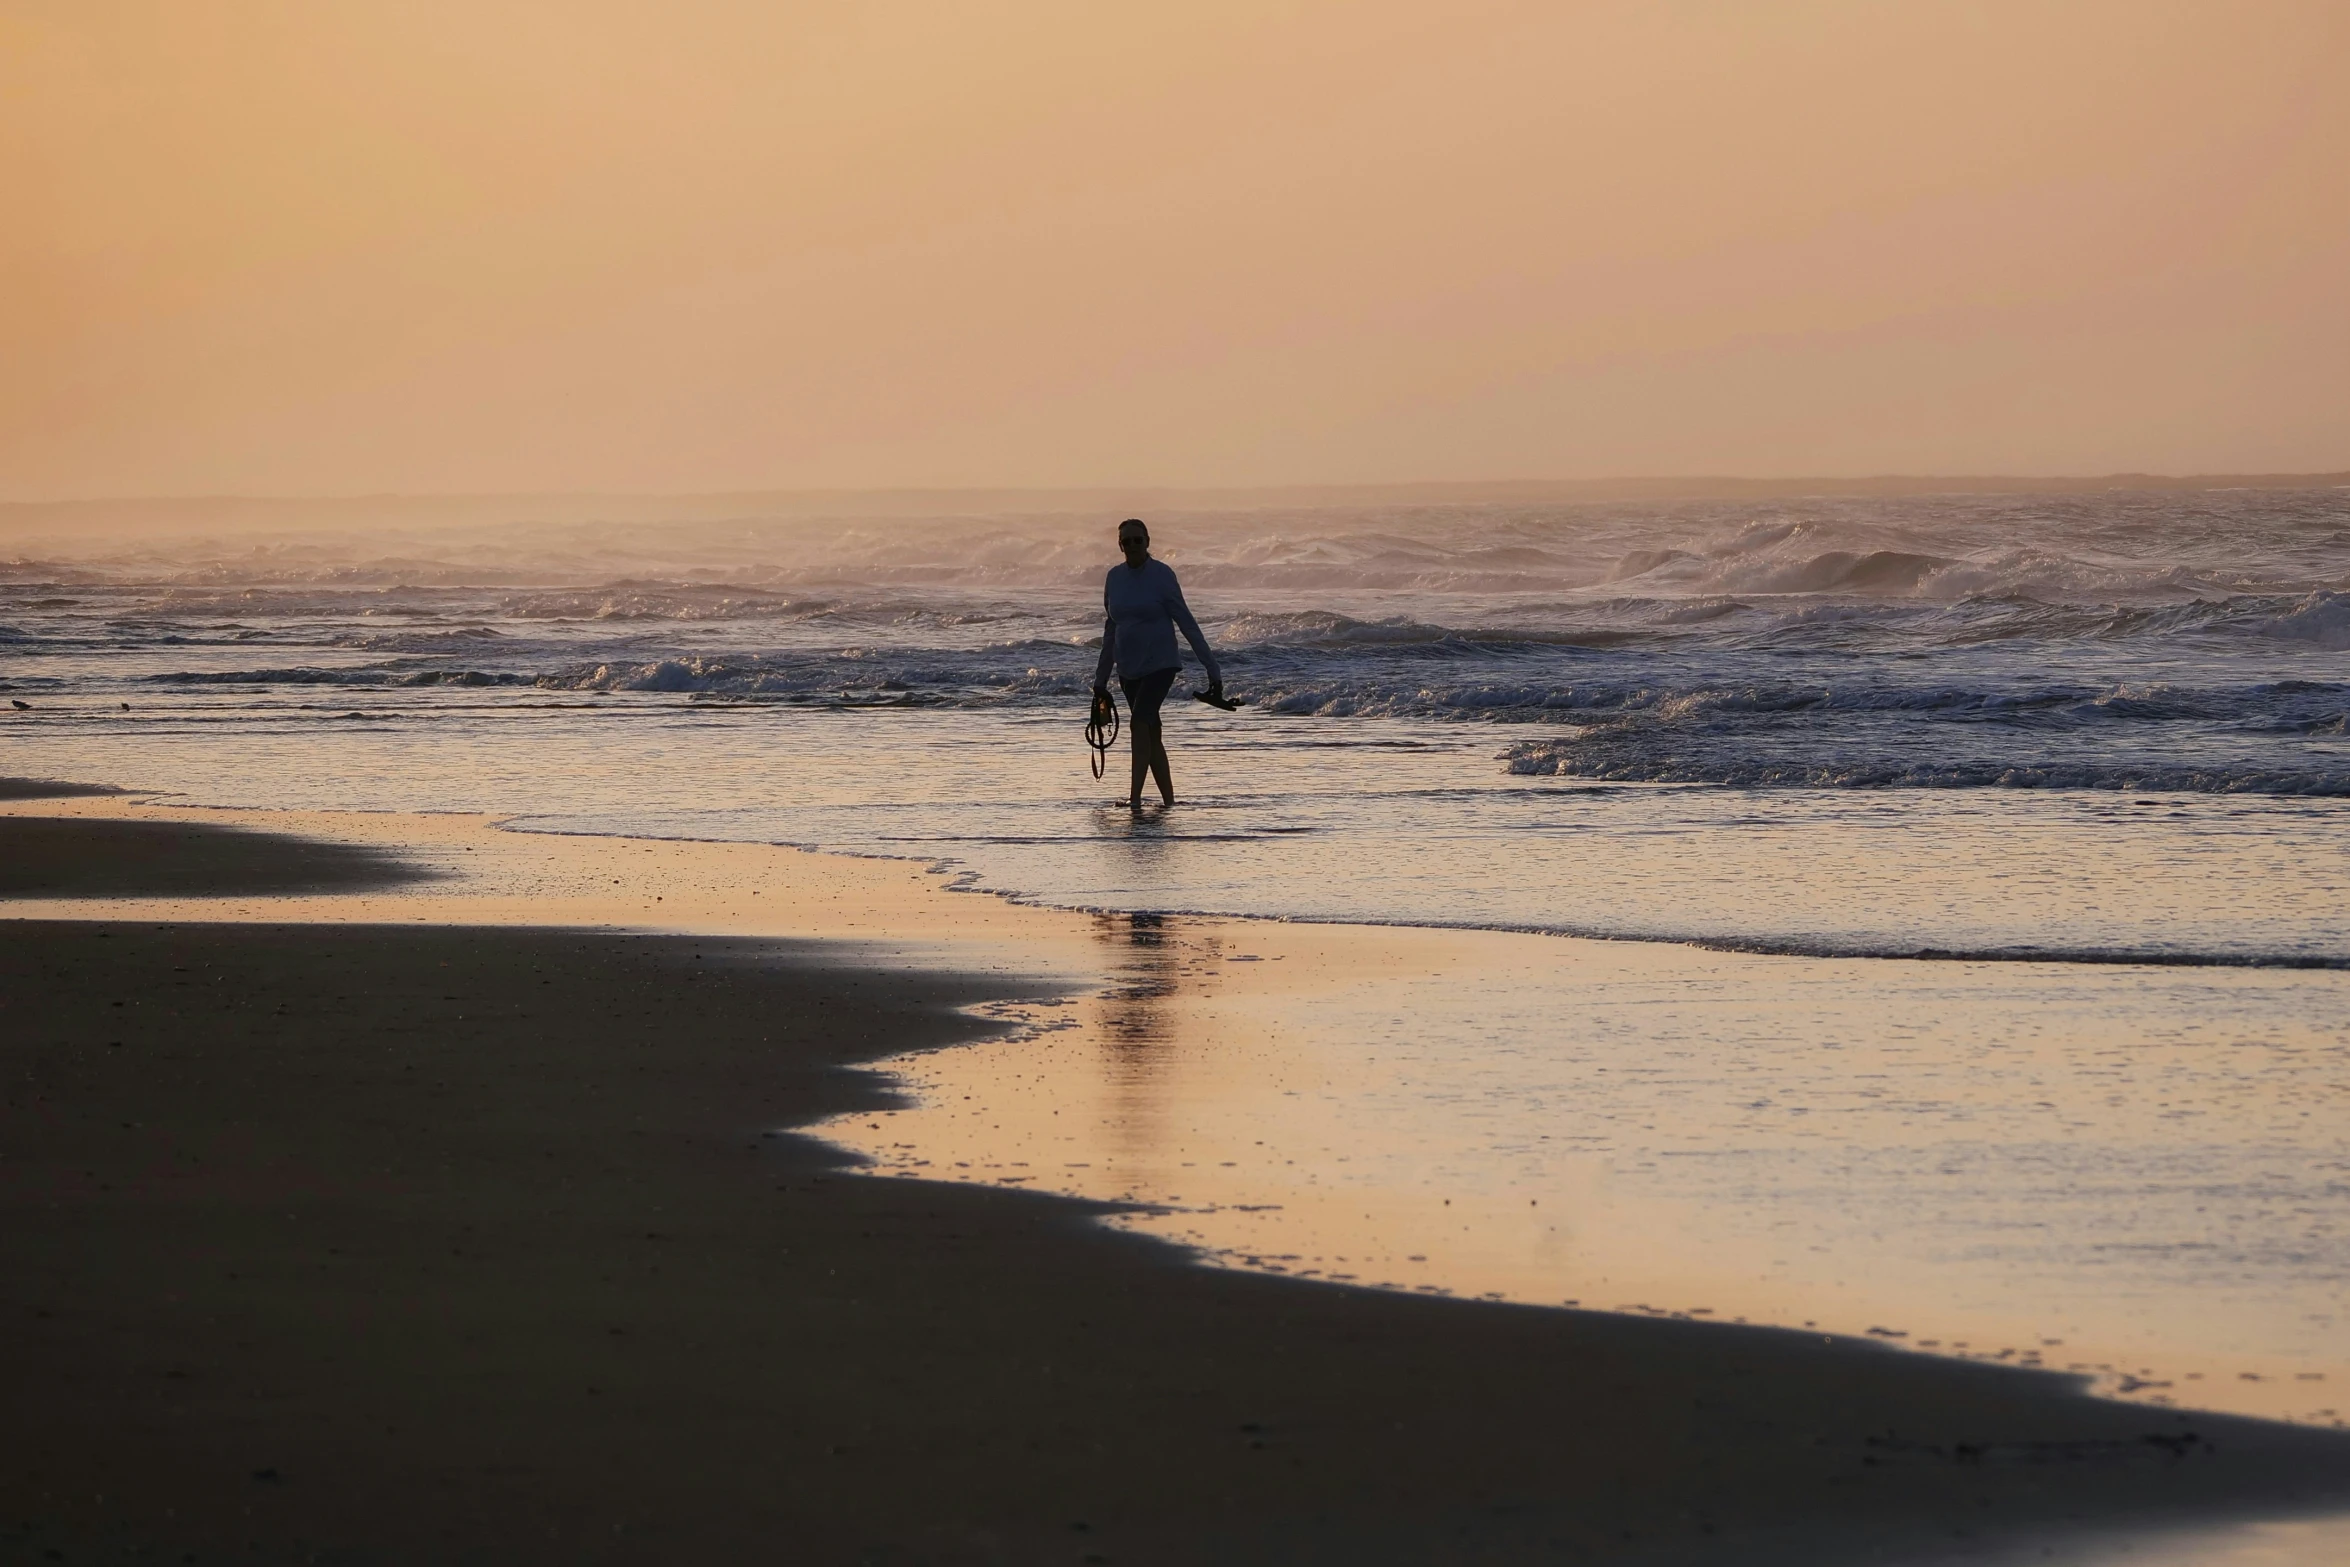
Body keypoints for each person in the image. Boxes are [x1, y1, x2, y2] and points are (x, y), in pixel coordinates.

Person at [1091, 518, 1224, 809]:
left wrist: (1212, 668)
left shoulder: (1162, 576)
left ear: (1148, 541)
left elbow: (1186, 623)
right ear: (1120, 545)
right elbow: (1111, 629)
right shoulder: (1114, 578)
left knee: (1139, 723)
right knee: (1151, 731)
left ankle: (1135, 800)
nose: (1133, 546)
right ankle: (1169, 802)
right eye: (1127, 541)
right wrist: (1100, 681)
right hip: (1128, 667)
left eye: (1138, 540)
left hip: (1161, 663)